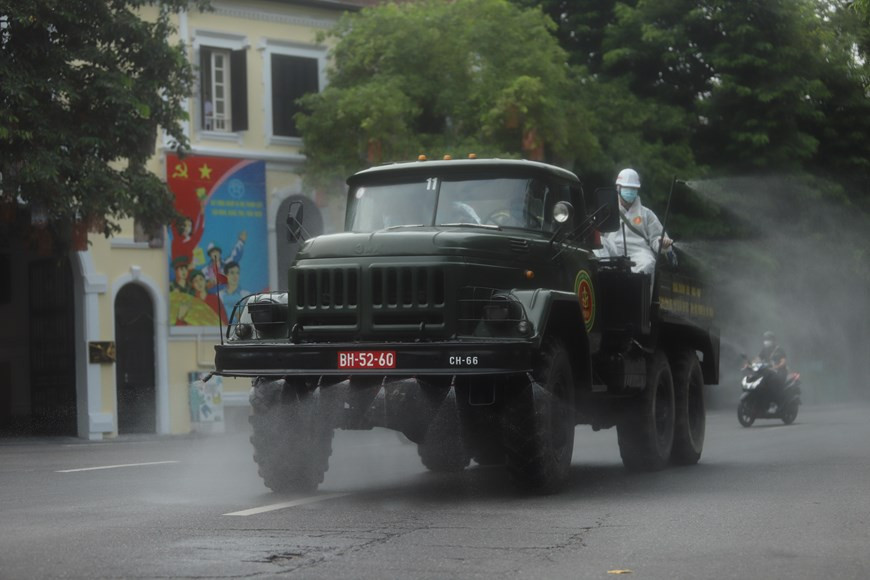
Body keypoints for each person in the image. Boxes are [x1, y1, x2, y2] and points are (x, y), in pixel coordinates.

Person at [598, 168, 674, 275]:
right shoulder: (606, 210)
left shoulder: (647, 214)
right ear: (618, 188)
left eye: (633, 188)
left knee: (648, 263)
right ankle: (605, 278)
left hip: (638, 253)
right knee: (600, 242)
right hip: (613, 252)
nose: (630, 191)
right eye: (627, 188)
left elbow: (657, 239)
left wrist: (663, 244)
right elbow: (598, 235)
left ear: (637, 190)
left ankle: (636, 289)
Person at [756, 330, 788, 410]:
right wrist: (750, 364)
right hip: (769, 372)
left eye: (768, 339)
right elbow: (758, 359)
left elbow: (783, 362)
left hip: (780, 372)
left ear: (773, 340)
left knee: (773, 385)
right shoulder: (764, 350)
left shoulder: (779, 350)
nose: (766, 341)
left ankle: (774, 404)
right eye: (765, 339)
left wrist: (776, 366)